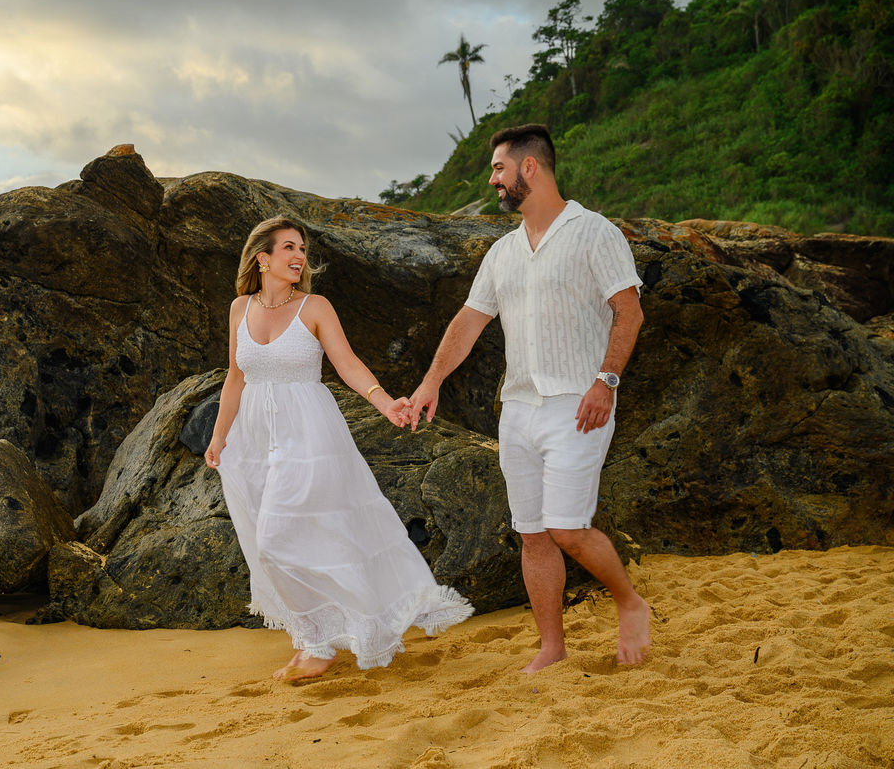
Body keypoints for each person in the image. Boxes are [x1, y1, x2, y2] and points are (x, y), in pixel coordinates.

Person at [408, 123, 651, 673]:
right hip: (517, 410)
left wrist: (606, 380)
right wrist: (431, 382)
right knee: (534, 534)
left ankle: (630, 602)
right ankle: (552, 647)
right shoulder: (502, 252)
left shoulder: (595, 232)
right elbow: (469, 322)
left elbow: (629, 309)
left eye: (499, 168)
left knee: (567, 528)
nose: (493, 178)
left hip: (579, 405)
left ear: (530, 168)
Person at [205, 216, 474, 681]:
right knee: (272, 540)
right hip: (254, 438)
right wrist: (218, 434)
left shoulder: (315, 306)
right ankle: (313, 638)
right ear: (261, 258)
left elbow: (347, 363)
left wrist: (386, 403)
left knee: (276, 539)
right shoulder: (238, 309)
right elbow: (235, 377)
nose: (299, 256)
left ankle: (320, 645)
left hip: (308, 436)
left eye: (302, 249)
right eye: (288, 247)